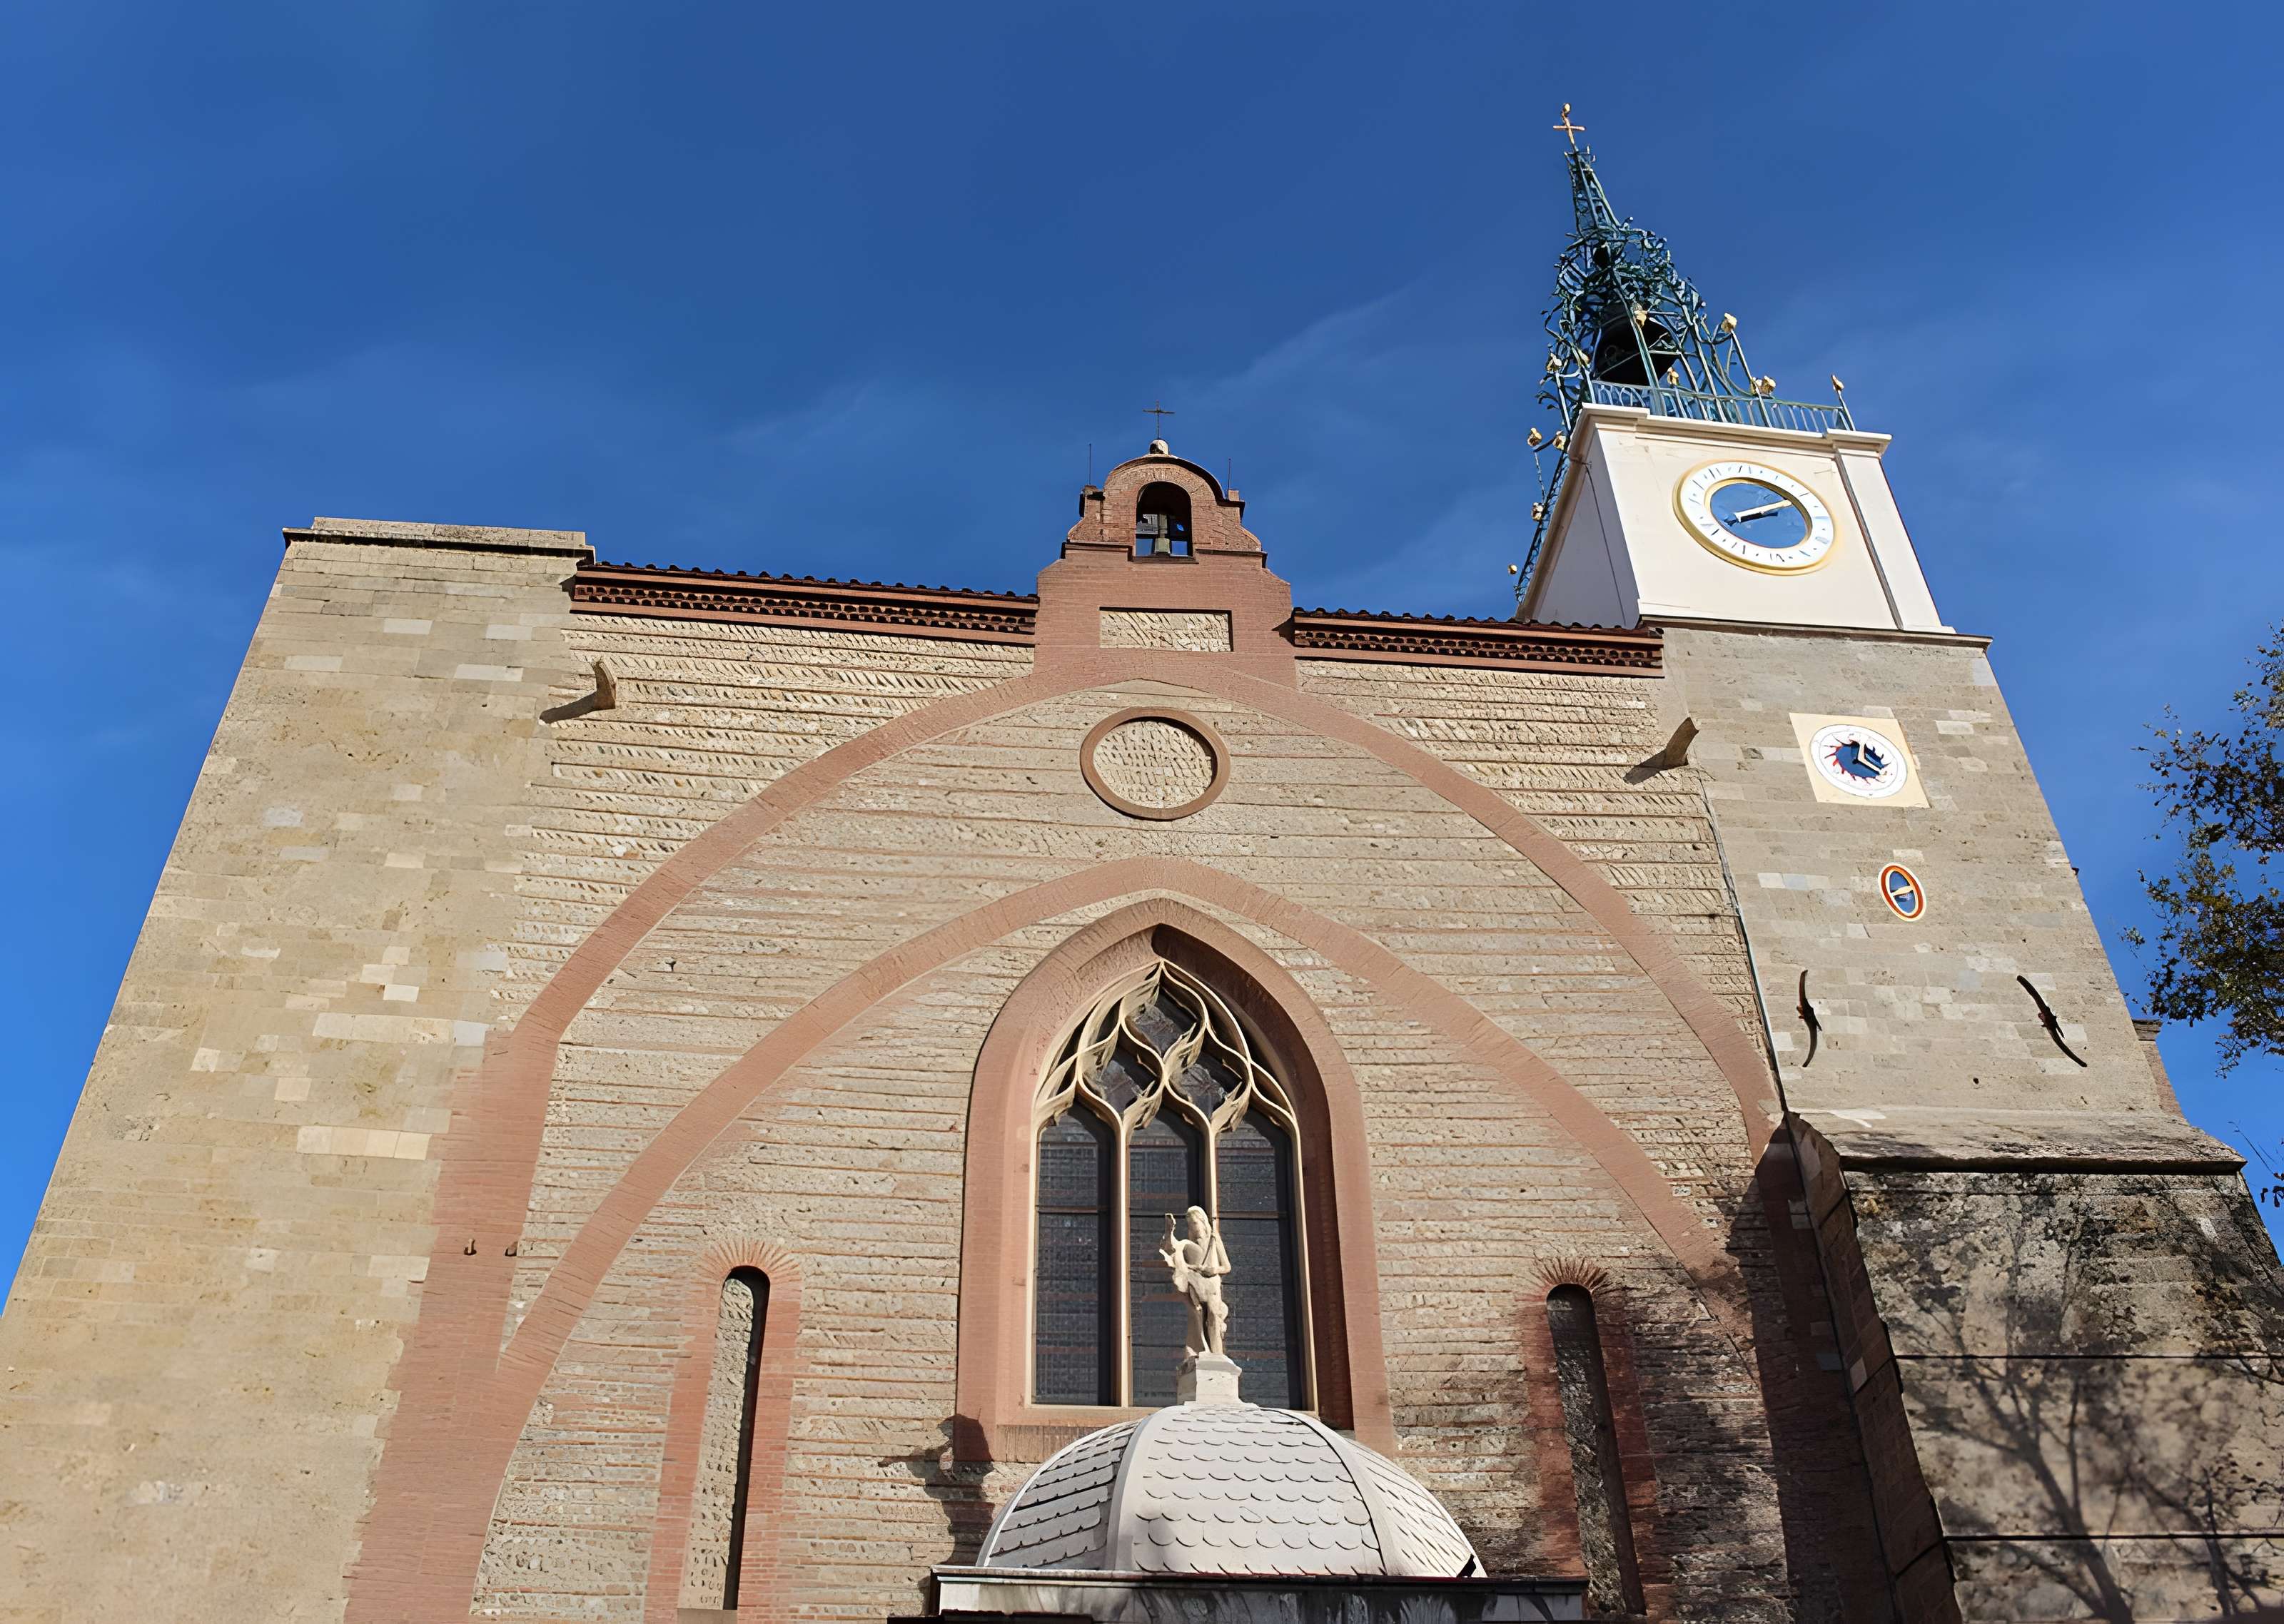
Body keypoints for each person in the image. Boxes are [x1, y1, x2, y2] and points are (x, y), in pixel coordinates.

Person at [1158, 1204, 1232, 1357]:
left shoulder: (1214, 1239)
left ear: (1203, 1222)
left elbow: (1227, 1266)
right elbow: (1173, 1246)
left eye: (1195, 1223)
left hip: (1212, 1285)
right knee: (1197, 1317)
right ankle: (1201, 1349)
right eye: (1190, 1225)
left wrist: (1214, 1270)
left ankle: (1217, 1354)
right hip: (1196, 1285)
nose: (1194, 1227)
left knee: (1212, 1315)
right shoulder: (1188, 1244)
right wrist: (1169, 1231)